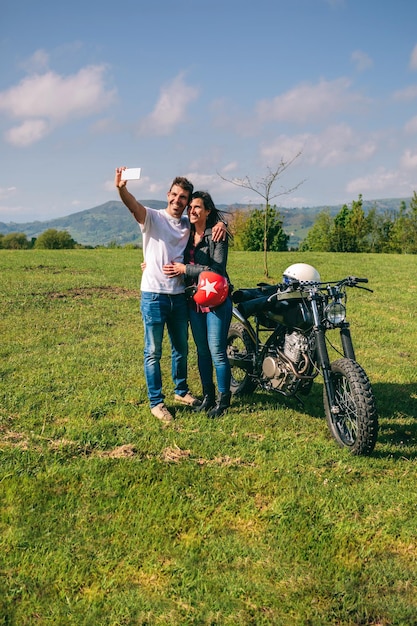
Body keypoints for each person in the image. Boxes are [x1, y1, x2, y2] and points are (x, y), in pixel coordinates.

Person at [114, 168, 226, 424]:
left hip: (179, 297)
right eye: (175, 195)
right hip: (154, 295)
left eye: (183, 197)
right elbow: (132, 206)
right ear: (168, 195)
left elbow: (207, 221)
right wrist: (121, 188)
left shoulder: (187, 223)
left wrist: (222, 223)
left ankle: (181, 391)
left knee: (181, 349)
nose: (178, 200)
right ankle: (156, 402)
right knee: (153, 351)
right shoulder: (152, 217)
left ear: (187, 202)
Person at [164, 191, 232, 418]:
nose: (192, 211)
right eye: (190, 207)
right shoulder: (185, 232)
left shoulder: (217, 235)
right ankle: (208, 397)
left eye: (197, 207)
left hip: (216, 301)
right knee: (202, 352)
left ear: (208, 211)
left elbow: (217, 270)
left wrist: (186, 270)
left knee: (217, 351)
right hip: (194, 301)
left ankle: (223, 401)